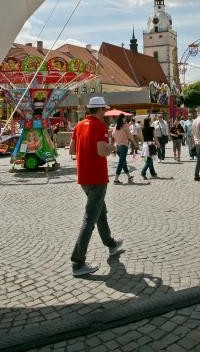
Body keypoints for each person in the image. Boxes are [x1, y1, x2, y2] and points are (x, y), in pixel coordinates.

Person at [69, 96, 123, 277]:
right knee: (90, 219)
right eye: (104, 111)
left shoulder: (78, 126)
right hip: (97, 177)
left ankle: (111, 244)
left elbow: (71, 151)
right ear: (99, 110)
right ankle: (78, 262)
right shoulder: (100, 126)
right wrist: (112, 147)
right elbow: (102, 151)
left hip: (83, 177)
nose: (105, 113)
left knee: (101, 211)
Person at [112, 114, 134, 184]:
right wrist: (135, 144)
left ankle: (129, 176)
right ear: (122, 119)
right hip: (123, 146)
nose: (125, 119)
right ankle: (116, 179)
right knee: (121, 162)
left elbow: (113, 136)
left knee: (123, 162)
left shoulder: (115, 126)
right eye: (124, 118)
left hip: (117, 146)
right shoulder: (125, 126)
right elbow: (130, 136)